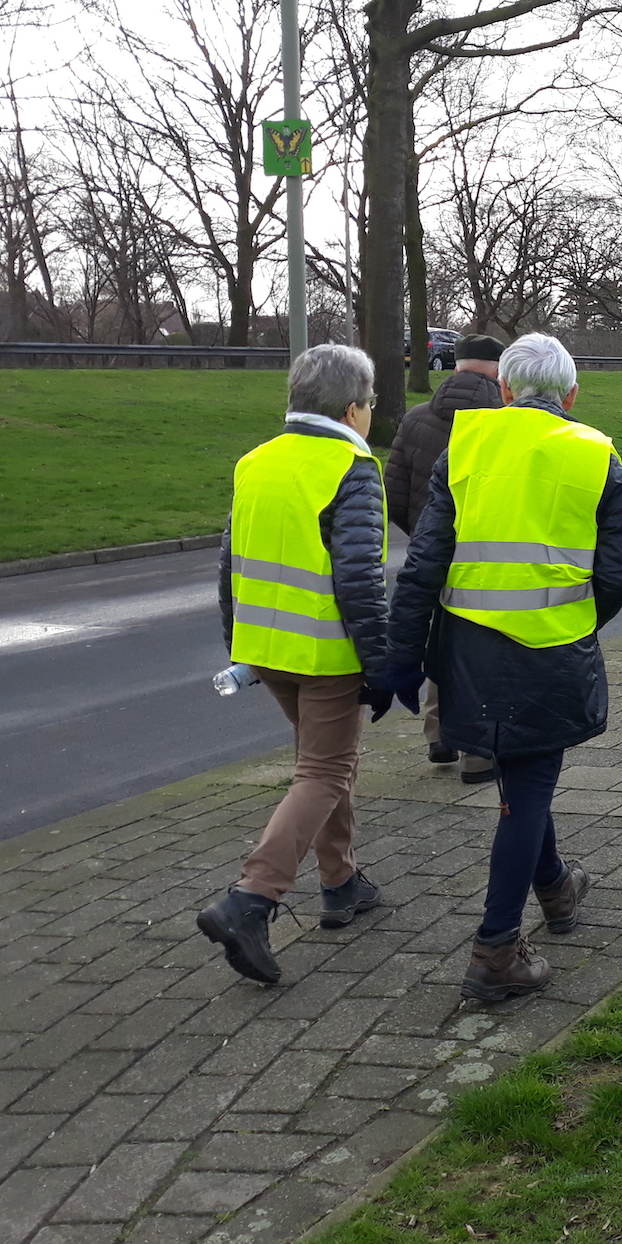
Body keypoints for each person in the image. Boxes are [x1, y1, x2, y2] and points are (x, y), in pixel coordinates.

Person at [386, 333, 622, 1002]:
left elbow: (423, 565)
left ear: (504, 390)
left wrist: (402, 655)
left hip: (469, 653)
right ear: (572, 395)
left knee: (521, 776)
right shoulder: (596, 454)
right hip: (552, 650)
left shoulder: (464, 449)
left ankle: (556, 887)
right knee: (526, 791)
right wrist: (577, 621)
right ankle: (496, 949)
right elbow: (618, 572)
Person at [196, 344, 393, 986]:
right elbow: (360, 580)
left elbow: (229, 565)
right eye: (370, 403)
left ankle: (340, 883)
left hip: (268, 649)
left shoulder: (255, 462)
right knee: (324, 769)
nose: (371, 413)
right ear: (352, 409)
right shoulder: (351, 468)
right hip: (326, 652)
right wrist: (381, 663)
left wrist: (241, 647)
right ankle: (251, 899)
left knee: (325, 764)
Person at [384, 333, 506, 785]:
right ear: (499, 373)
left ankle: (438, 734)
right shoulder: (504, 421)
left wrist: (423, 535)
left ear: (456, 367)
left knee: (437, 635)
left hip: (429, 549)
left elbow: (394, 495)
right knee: (480, 646)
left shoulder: (416, 419)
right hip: (490, 554)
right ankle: (478, 753)